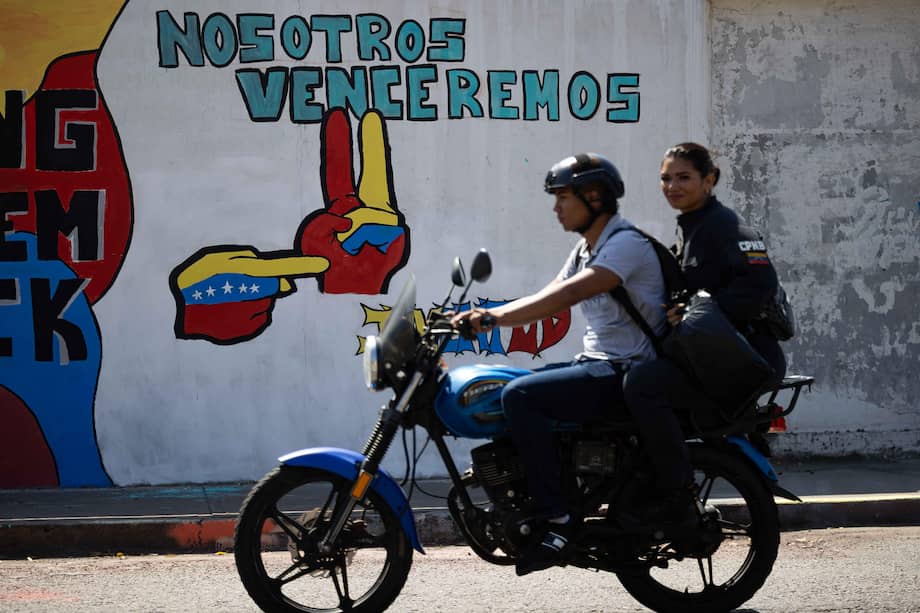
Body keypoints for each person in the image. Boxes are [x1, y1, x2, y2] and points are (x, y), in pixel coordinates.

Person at [450, 153, 667, 576]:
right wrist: (471, 315)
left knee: (521, 396)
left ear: (594, 197)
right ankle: (543, 494)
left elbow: (566, 297)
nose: (556, 208)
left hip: (627, 370)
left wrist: (490, 318)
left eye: (563, 198)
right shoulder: (587, 248)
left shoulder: (625, 245)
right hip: (601, 364)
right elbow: (547, 296)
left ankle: (558, 515)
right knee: (512, 386)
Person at [622, 142, 787, 521]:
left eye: (684, 177)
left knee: (642, 385)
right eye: (666, 178)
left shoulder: (727, 226)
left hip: (745, 358)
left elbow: (760, 284)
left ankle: (675, 491)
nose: (672, 186)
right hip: (714, 358)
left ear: (709, 179)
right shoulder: (691, 228)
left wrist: (698, 311)